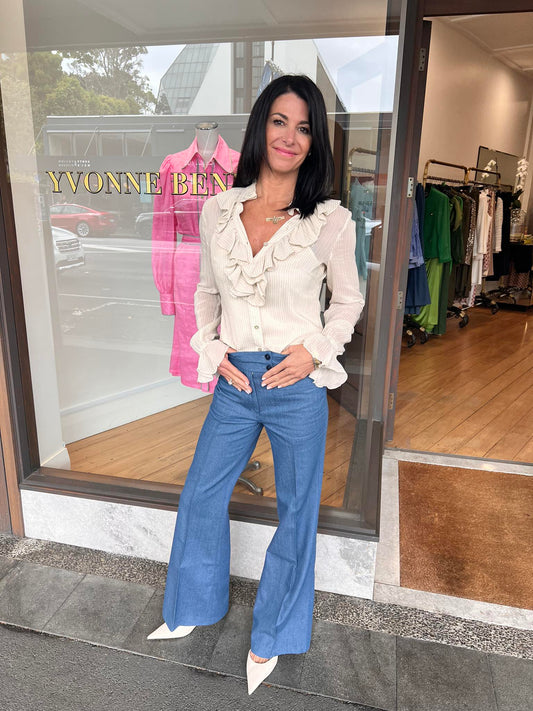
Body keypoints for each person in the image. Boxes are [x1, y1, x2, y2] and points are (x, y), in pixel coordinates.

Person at [147, 75, 365, 695]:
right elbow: (206, 291)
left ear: (314, 141)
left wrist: (314, 351)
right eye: (279, 121)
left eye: (304, 127)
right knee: (201, 494)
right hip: (237, 379)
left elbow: (348, 301)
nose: (290, 137)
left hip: (297, 385)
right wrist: (212, 348)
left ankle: (272, 634)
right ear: (260, 127)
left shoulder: (330, 221)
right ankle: (191, 605)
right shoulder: (219, 209)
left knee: (296, 512)